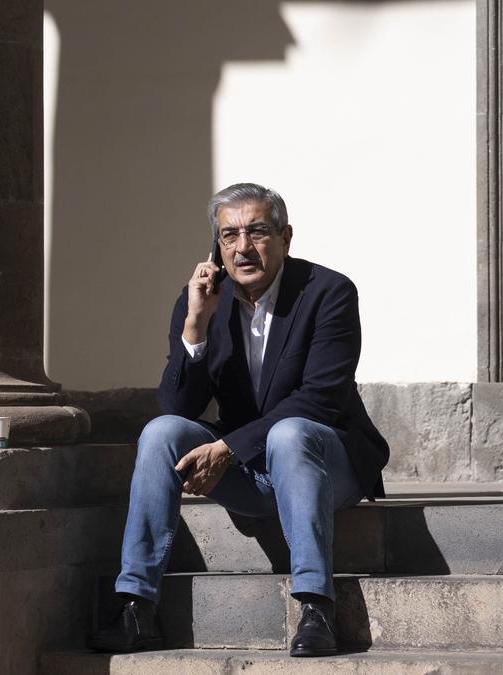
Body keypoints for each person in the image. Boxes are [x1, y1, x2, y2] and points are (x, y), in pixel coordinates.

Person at [89, 182, 390, 657]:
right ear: (216, 245)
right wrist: (196, 327)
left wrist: (226, 448)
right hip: (252, 471)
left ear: (286, 237)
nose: (242, 248)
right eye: (229, 236)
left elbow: (320, 400)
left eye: (257, 232)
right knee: (159, 432)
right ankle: (135, 604)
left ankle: (316, 606)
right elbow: (178, 408)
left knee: (291, 433)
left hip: (328, 462)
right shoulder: (204, 300)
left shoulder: (328, 292)